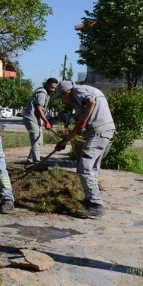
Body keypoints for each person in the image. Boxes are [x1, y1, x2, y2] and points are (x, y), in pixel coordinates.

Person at [54, 81, 115, 218]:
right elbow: (79, 128)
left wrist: (82, 122)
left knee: (84, 167)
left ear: (66, 92)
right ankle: (92, 200)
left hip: (98, 132)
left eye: (61, 97)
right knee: (92, 168)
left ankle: (95, 205)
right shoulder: (83, 94)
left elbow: (91, 103)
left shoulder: (77, 90)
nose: (63, 101)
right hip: (104, 131)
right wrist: (64, 141)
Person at [22, 78, 58, 164]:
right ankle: (36, 162)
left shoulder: (45, 94)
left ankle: (30, 161)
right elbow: (39, 109)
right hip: (31, 119)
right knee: (36, 141)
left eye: (54, 88)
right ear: (47, 85)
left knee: (39, 142)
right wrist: (46, 121)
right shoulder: (42, 93)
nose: (53, 90)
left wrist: (46, 120)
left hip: (35, 119)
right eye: (52, 87)